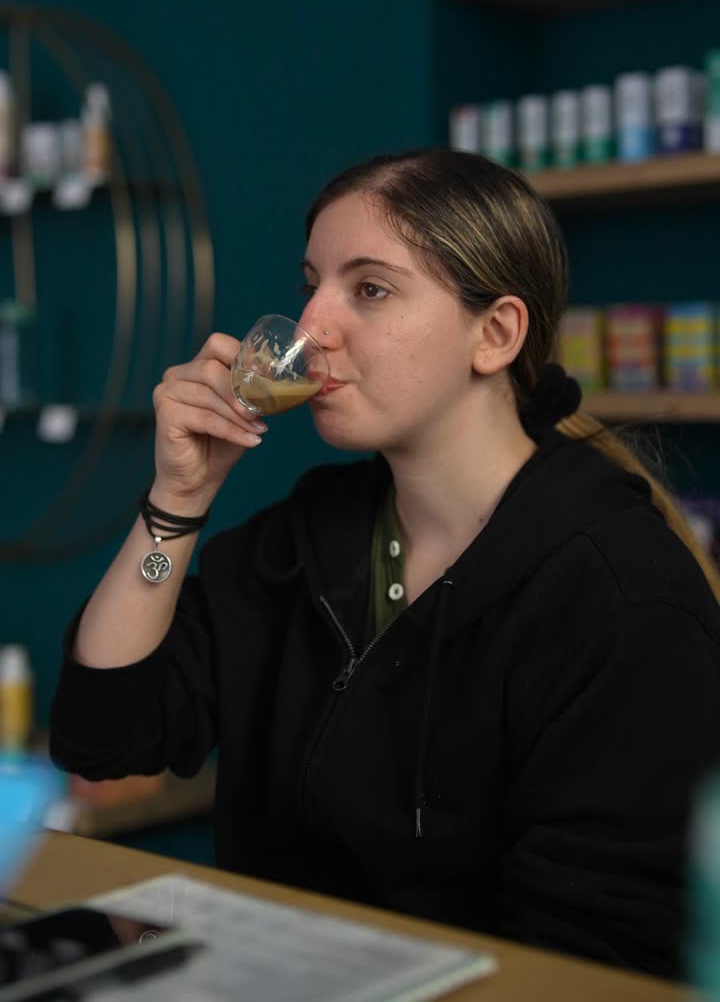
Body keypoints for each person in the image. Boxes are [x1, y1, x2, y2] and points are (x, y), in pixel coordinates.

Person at [50, 149, 720, 979]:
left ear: (496, 334)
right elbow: (101, 735)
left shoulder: (623, 597)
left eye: (369, 289)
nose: (310, 329)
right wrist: (176, 501)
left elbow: (591, 960)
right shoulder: (306, 538)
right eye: (311, 285)